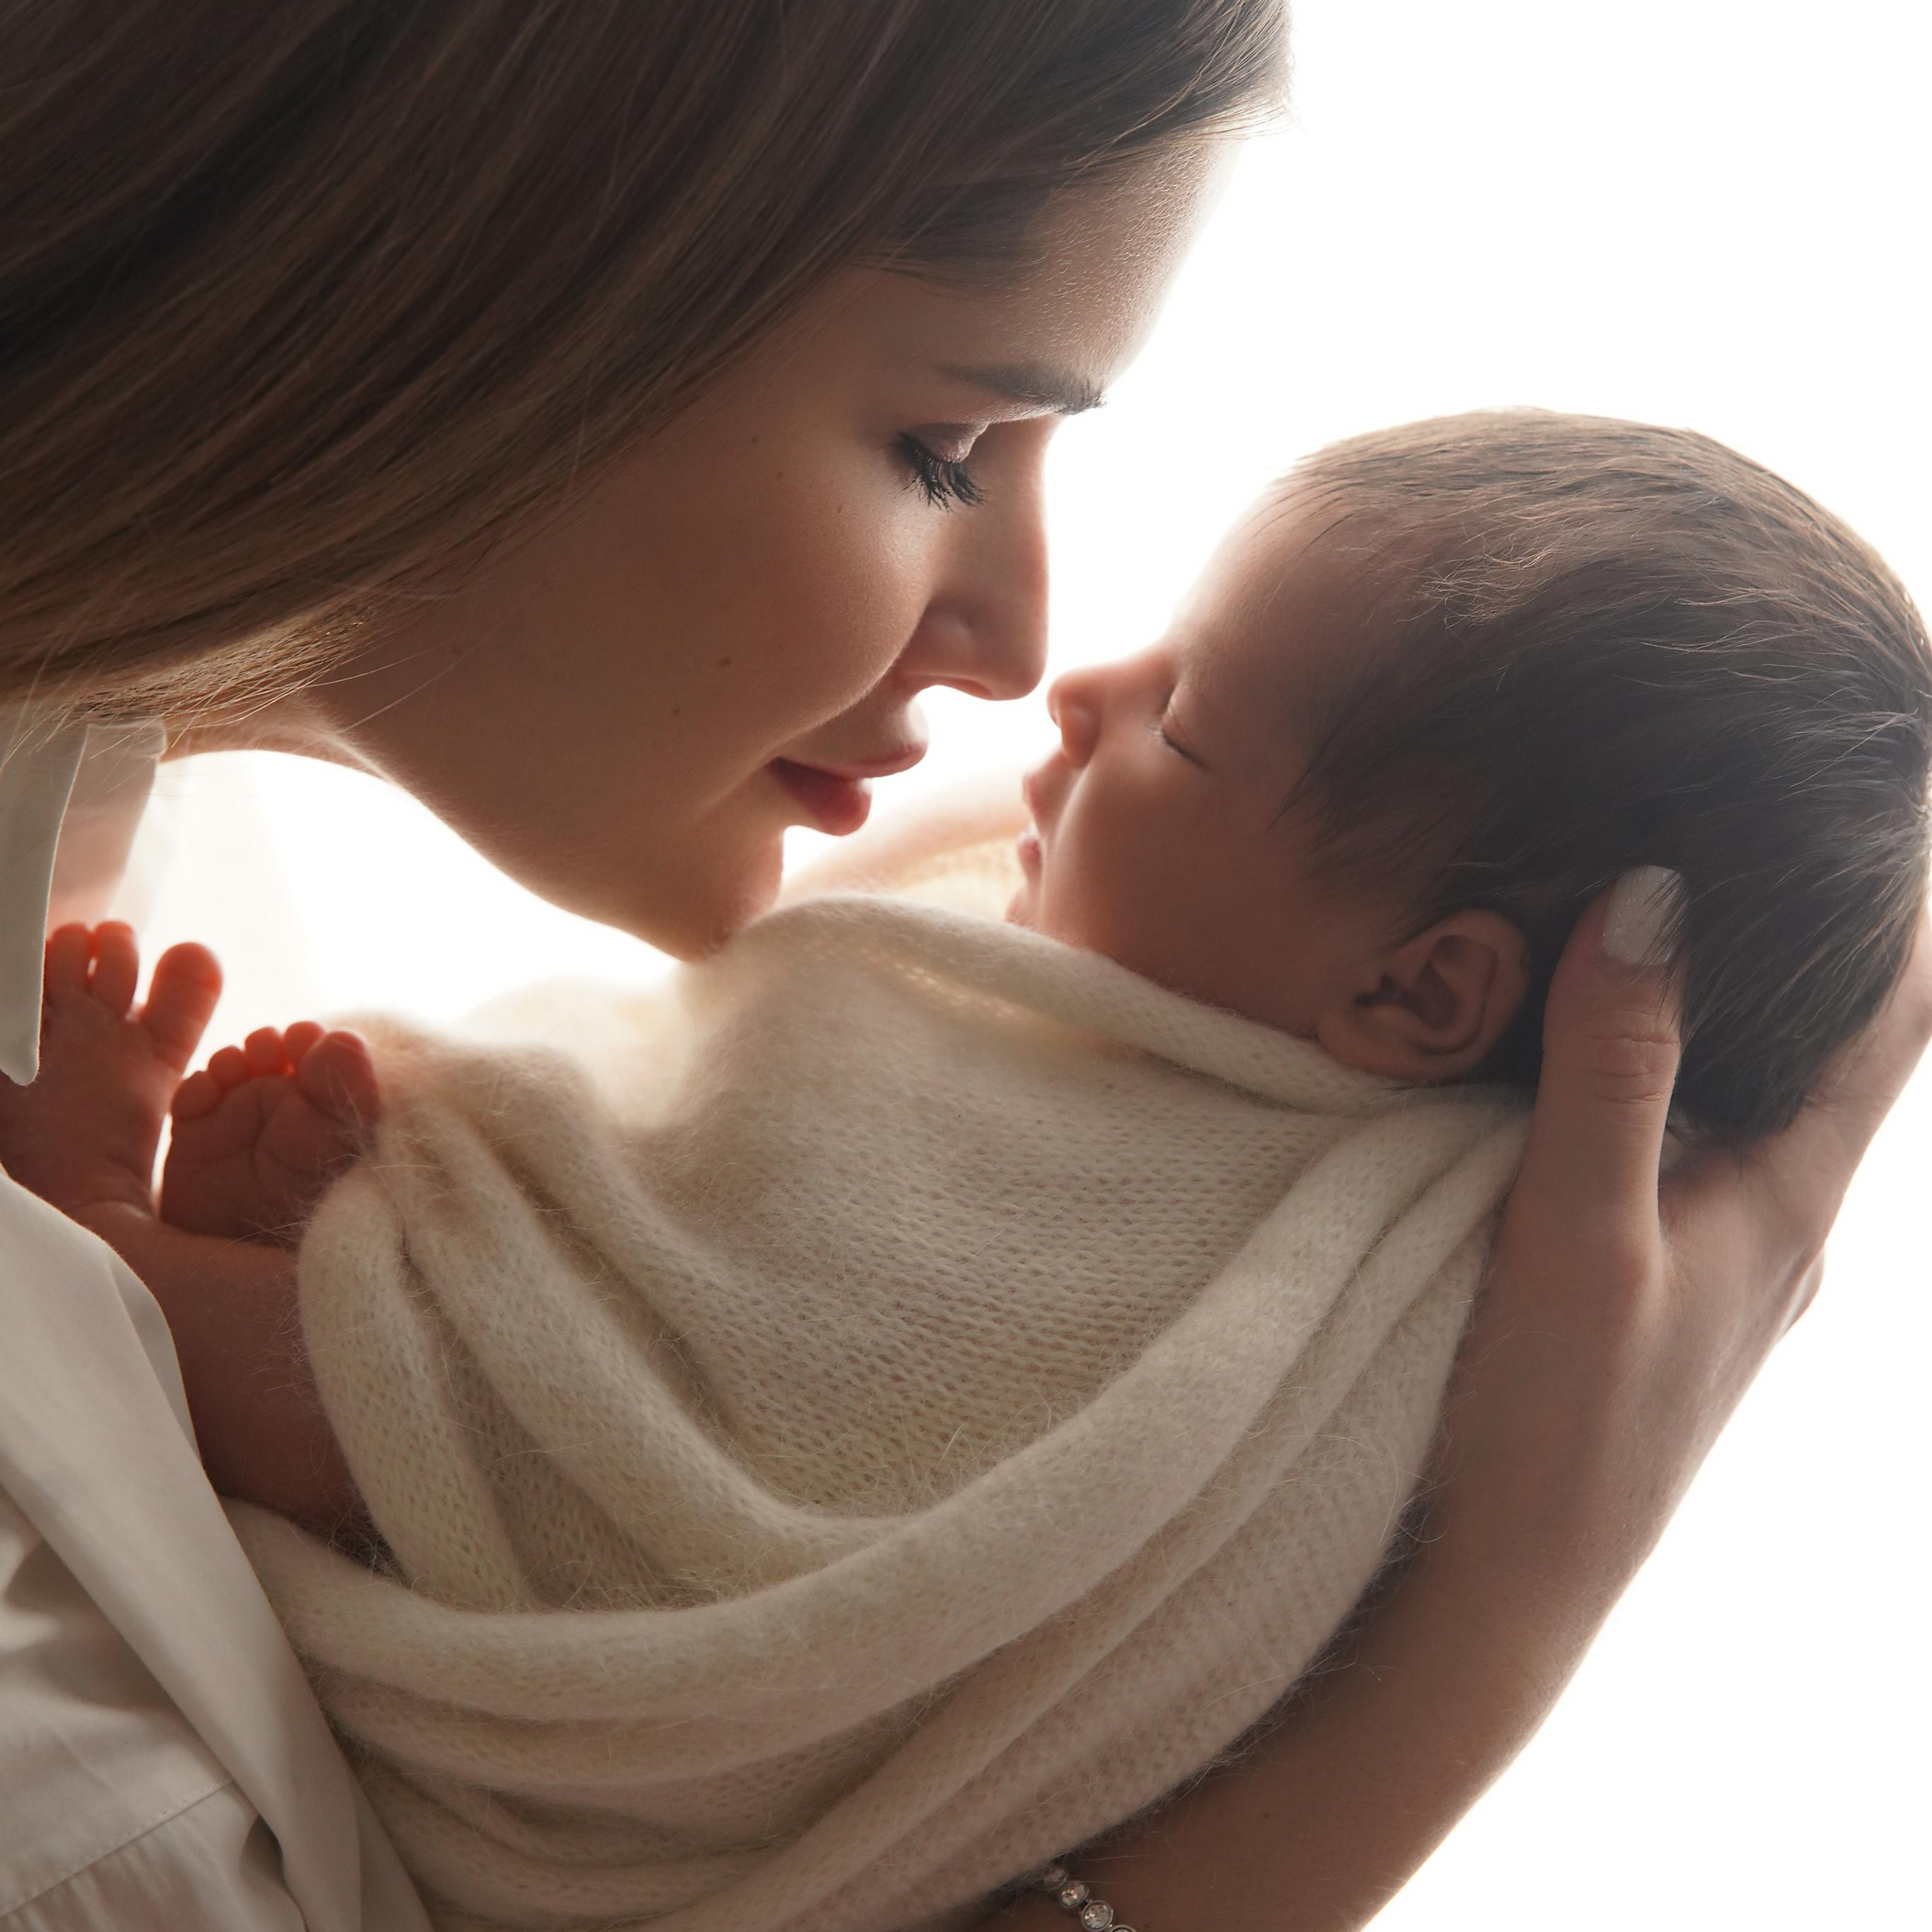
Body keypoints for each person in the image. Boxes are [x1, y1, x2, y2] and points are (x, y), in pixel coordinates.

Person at [0, 7, 1924, 1929]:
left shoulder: (99, 837)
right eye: (941, 447)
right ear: (478, 273)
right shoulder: (62, 1768)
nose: (1024, 650)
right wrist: (1477, 1654)